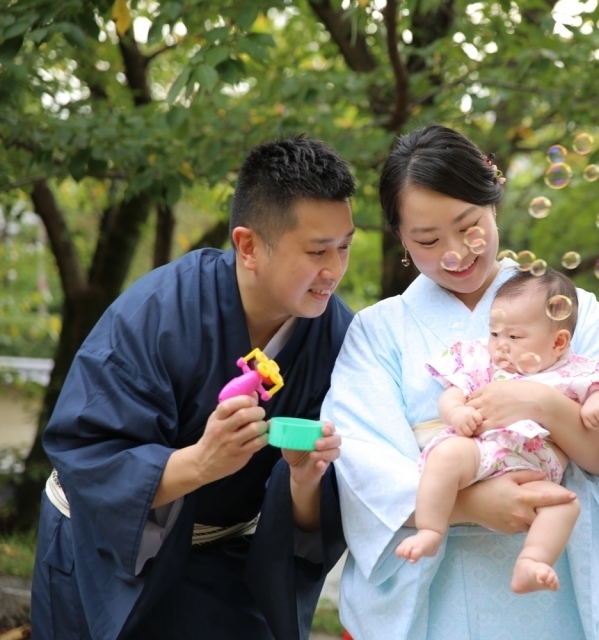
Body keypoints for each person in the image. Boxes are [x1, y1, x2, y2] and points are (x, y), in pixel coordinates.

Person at [322, 124, 599, 639]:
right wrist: (472, 506)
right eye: (428, 239)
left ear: (494, 203)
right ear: (400, 237)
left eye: (469, 227)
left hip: (554, 592)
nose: (456, 253)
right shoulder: (378, 330)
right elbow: (364, 468)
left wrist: (543, 406)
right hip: (434, 593)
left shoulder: (571, 309)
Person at [31, 138, 356, 640]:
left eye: (344, 247)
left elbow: (318, 509)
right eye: (317, 251)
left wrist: (305, 480)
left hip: (231, 552)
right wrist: (201, 462)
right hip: (102, 548)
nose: (334, 270)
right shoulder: (156, 315)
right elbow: (88, 453)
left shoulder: (337, 336)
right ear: (248, 246)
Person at [396, 269, 599, 596]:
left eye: (514, 337)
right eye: (495, 333)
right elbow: (452, 392)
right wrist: (457, 412)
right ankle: (430, 529)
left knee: (565, 505)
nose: (500, 346)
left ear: (558, 341)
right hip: (482, 449)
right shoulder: (482, 360)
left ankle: (534, 560)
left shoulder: (577, 369)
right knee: (446, 456)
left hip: (536, 468)